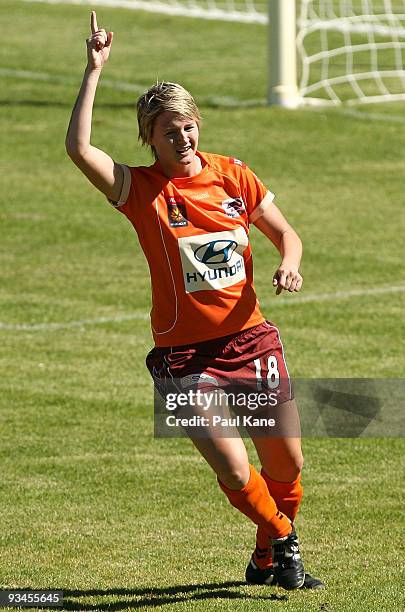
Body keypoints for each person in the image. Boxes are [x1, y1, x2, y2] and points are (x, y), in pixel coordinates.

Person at [65, 11, 324, 591]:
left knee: (287, 465)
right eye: (167, 131)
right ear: (148, 139)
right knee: (235, 470)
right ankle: (284, 537)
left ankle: (266, 556)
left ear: (197, 126)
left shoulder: (233, 176)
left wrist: (290, 264)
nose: (181, 139)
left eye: (188, 127)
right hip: (184, 361)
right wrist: (94, 70)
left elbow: (287, 234)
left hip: (251, 341)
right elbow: (79, 148)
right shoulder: (140, 191)